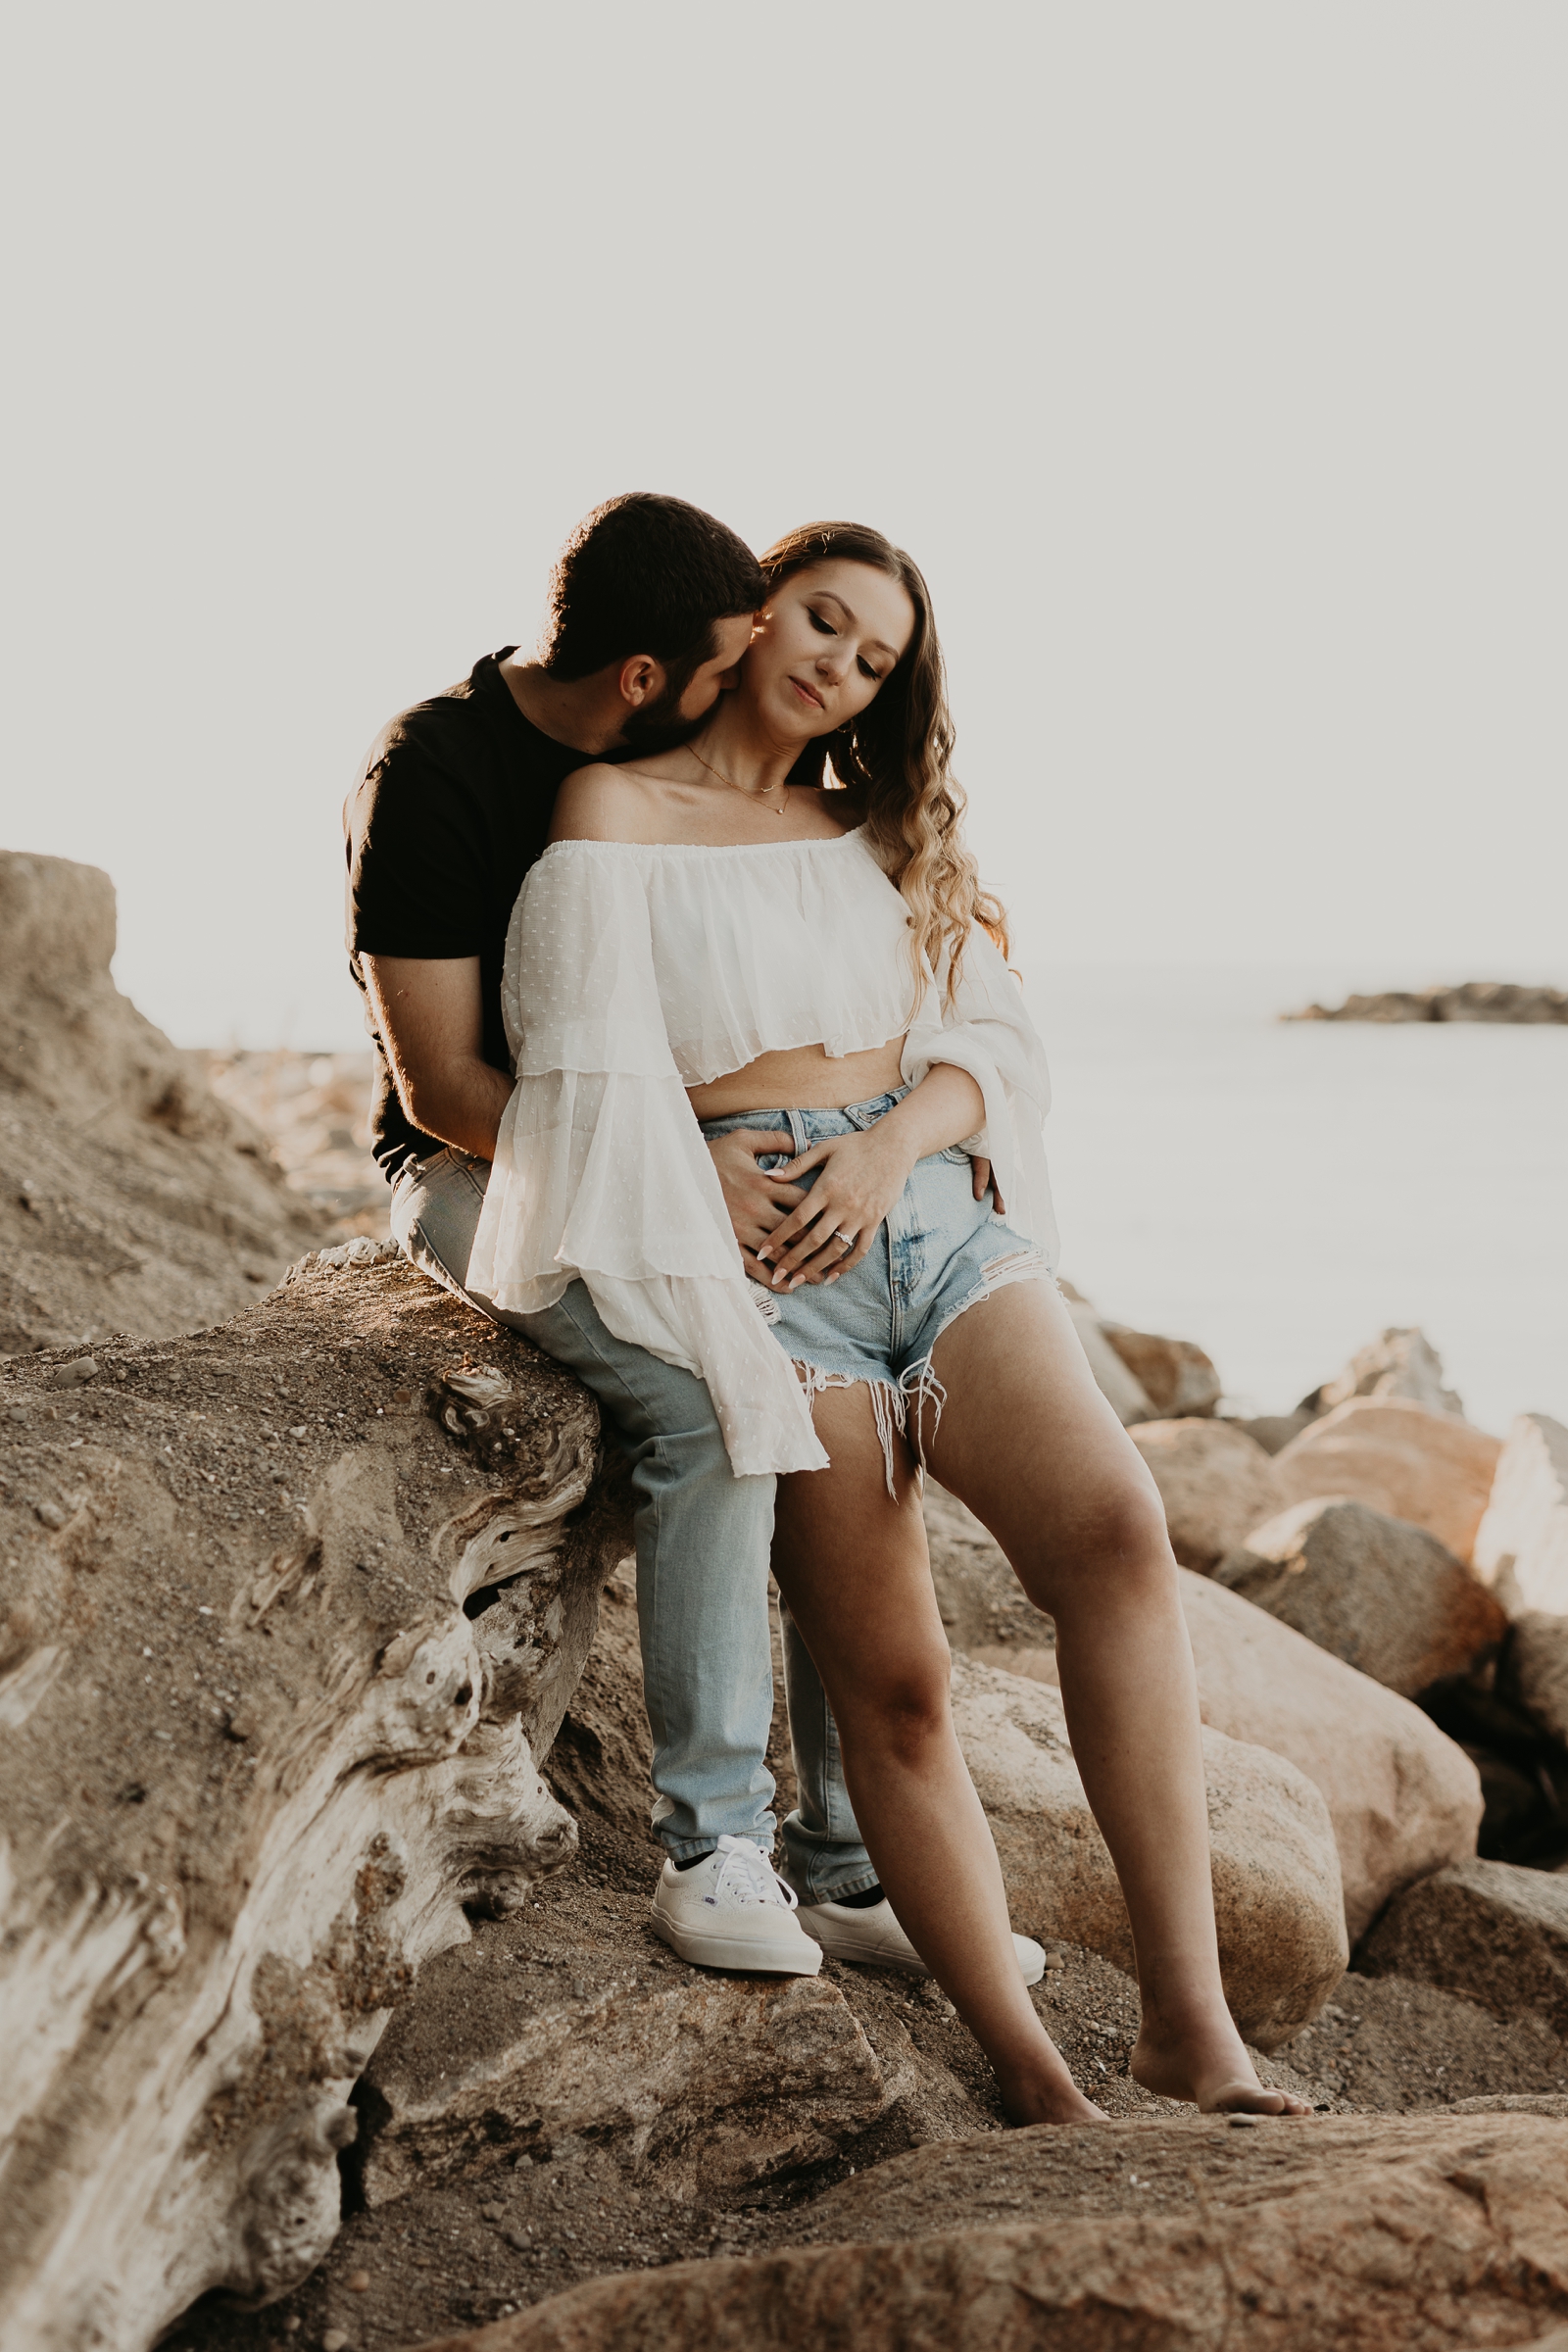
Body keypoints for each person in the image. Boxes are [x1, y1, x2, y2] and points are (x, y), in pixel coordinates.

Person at [468, 518, 1313, 2124]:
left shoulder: (876, 830)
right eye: (822, 622)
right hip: (756, 1256)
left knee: (1120, 1539)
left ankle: (1192, 2029)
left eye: (875, 658)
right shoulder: (610, 814)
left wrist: (888, 1142)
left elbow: (992, 1030)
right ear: (755, 613)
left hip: (917, 1208)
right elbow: (579, 1067)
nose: (838, 667)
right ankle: (1029, 2066)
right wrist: (702, 1177)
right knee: (899, 1677)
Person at [345, 491, 994, 1981]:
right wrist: (681, 1175)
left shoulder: (661, 762)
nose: (775, 674)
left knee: (825, 1417)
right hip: (476, 1159)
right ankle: (714, 1850)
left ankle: (848, 1859)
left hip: (666, 1145)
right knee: (707, 1402)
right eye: (738, 656)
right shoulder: (440, 769)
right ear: (646, 676)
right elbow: (447, 1090)